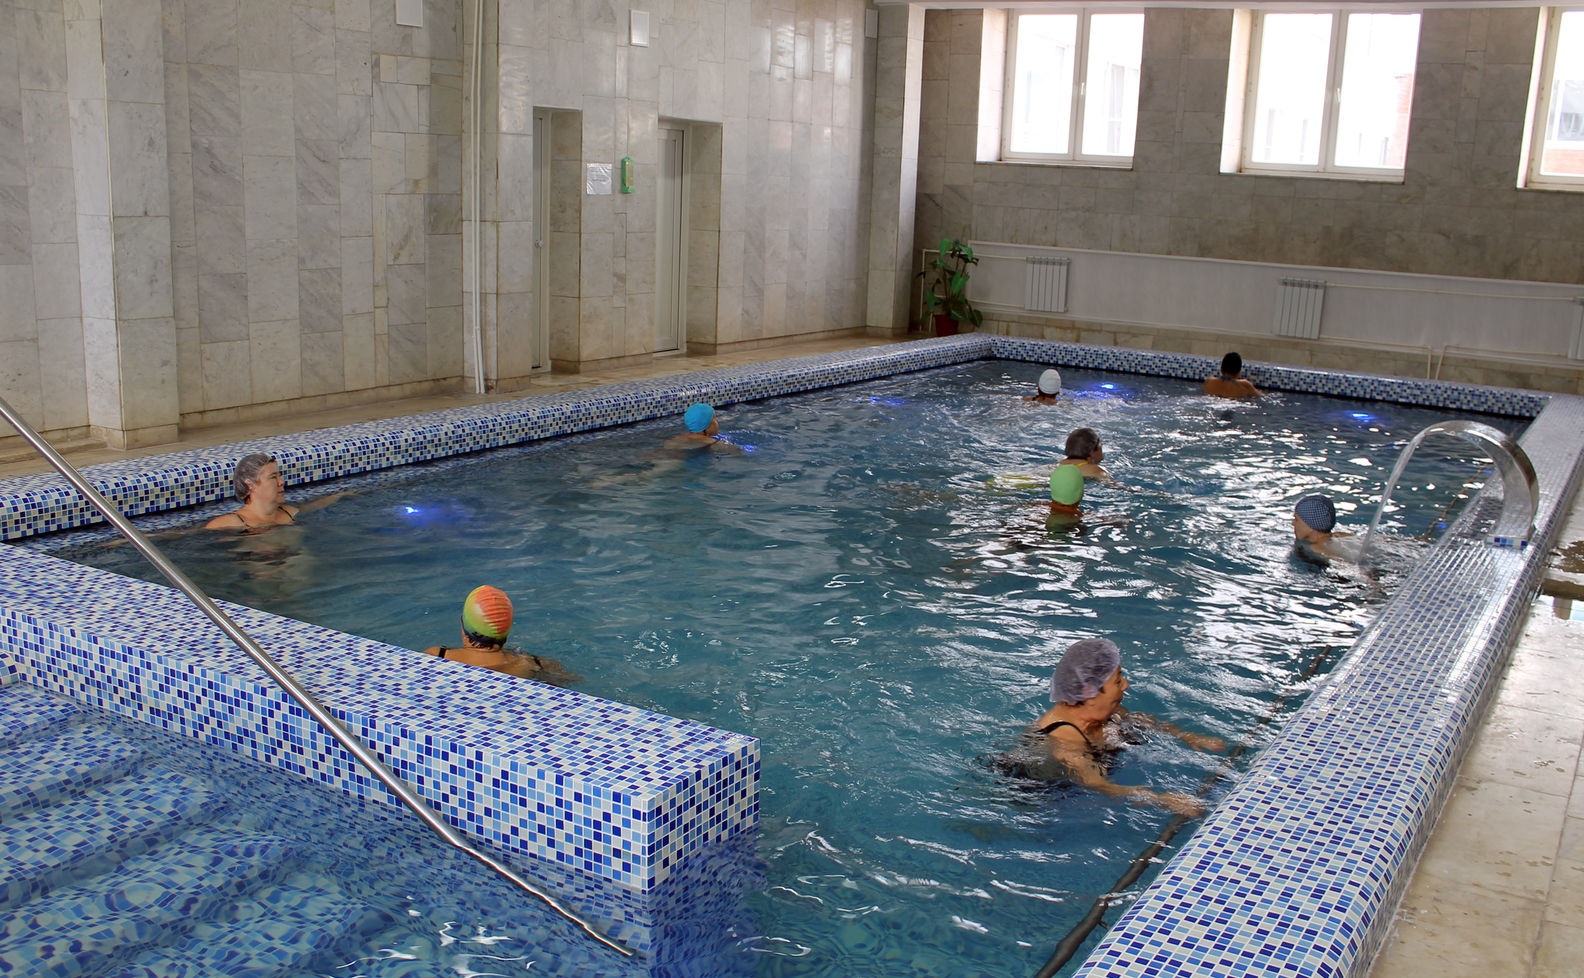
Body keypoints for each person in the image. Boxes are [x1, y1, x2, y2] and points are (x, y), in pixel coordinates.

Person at [1022, 638, 1225, 816]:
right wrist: (1160, 799)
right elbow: (1099, 785)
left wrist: (1186, 735)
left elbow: (1141, 720)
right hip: (1044, 800)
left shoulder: (1105, 712)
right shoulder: (1064, 738)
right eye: (1118, 680)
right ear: (1089, 692)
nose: (1126, 684)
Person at [421, 585, 575, 682]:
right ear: (506, 630)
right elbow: (570, 681)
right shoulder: (532, 664)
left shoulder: (437, 656)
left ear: (463, 626)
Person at [204, 453, 341, 531]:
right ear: (251, 485)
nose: (281, 482)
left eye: (279, 476)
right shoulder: (232, 522)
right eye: (273, 477)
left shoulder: (290, 513)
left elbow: (315, 506)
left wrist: (342, 494)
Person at [1292, 494, 1356, 561]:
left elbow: (1346, 565)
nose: (1293, 523)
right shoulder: (1342, 535)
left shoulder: (1317, 548)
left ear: (1311, 525)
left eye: (1296, 520)